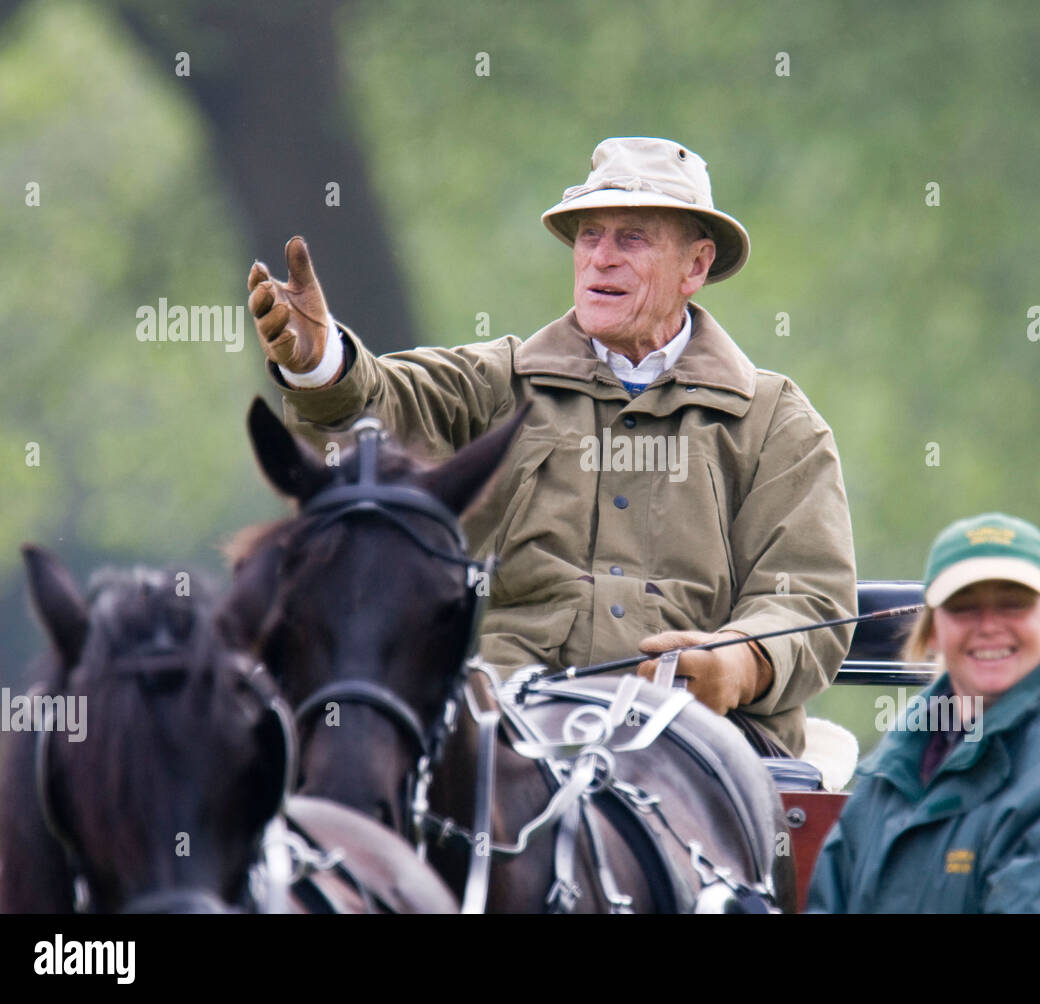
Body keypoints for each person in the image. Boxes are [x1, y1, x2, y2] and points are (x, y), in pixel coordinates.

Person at [244, 136, 857, 757]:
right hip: (503, 732)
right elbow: (385, 405)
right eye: (590, 236)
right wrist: (321, 364)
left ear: (695, 267)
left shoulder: (776, 423)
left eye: (632, 238)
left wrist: (739, 663)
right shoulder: (496, 384)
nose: (601, 259)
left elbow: (807, 596)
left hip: (702, 743)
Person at [806, 512, 1040, 912]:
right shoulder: (897, 767)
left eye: (1013, 605)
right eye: (964, 607)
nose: (989, 625)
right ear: (932, 630)